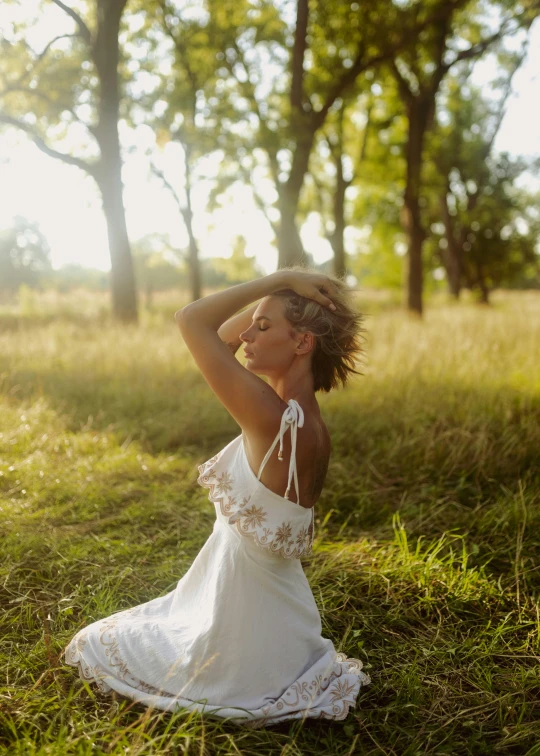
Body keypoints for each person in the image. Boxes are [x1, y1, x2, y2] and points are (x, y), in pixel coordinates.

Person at [64, 265, 371, 728]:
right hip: (286, 628)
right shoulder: (304, 420)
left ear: (302, 343)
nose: (247, 334)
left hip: (237, 640)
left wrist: (278, 278)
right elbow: (227, 338)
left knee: (92, 643)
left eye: (264, 328)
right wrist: (276, 300)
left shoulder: (270, 416)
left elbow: (192, 321)